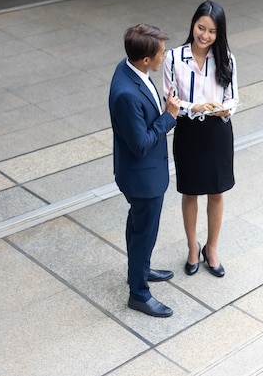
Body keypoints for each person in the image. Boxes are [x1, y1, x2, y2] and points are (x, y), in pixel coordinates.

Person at [109, 24, 181, 317]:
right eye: (161, 53)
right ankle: (138, 293)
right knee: (144, 232)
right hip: (143, 178)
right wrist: (168, 117)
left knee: (138, 225)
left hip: (141, 174)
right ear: (146, 60)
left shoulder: (128, 68)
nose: (165, 57)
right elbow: (140, 144)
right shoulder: (126, 93)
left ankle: (139, 269)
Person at [163, 0, 239, 278]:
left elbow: (234, 98)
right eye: (201, 28)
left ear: (220, 34)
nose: (204, 35)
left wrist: (223, 109)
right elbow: (168, 100)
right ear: (193, 24)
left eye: (212, 31)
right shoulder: (173, 57)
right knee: (190, 191)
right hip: (189, 131)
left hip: (218, 130)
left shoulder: (227, 59)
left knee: (217, 192)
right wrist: (190, 107)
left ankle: (212, 248)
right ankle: (192, 247)